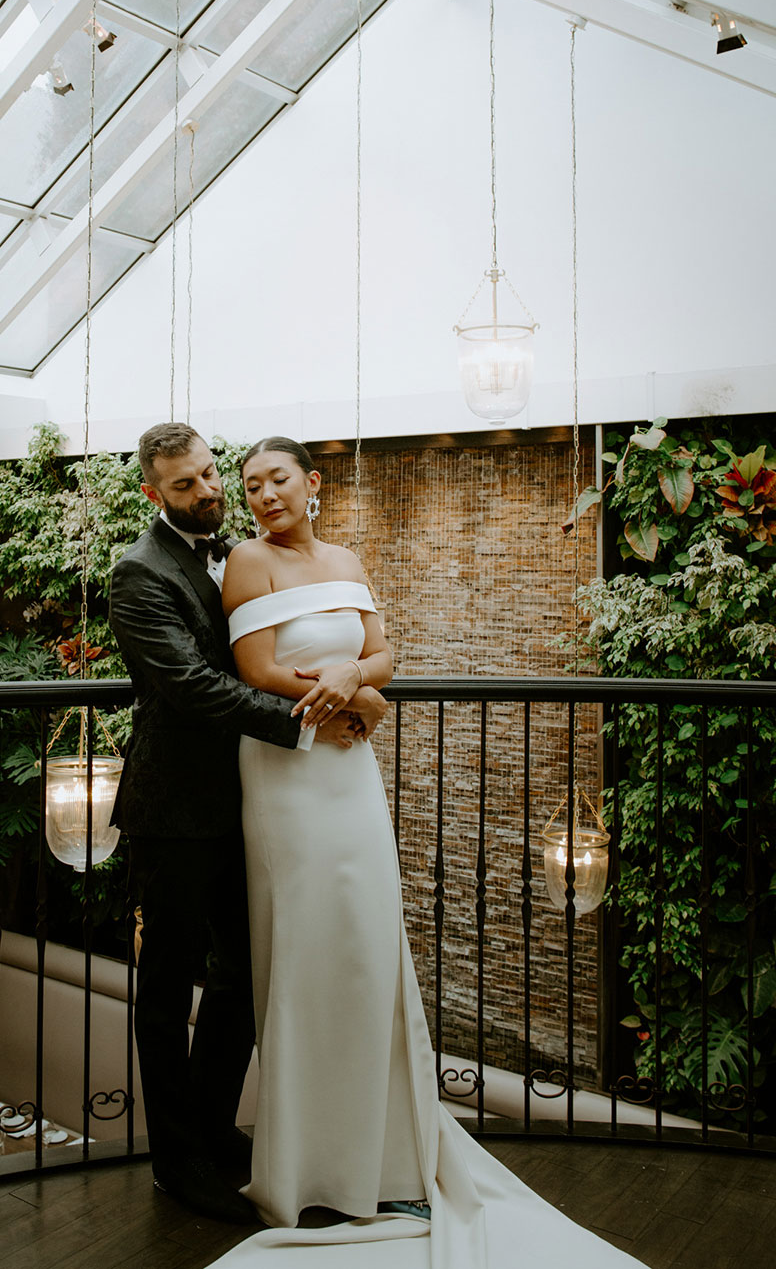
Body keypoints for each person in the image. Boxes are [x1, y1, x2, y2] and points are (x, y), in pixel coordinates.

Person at [214, 435, 649, 1267]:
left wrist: (362, 687)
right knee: (304, 954)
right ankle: (304, 1169)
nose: (263, 495)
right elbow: (257, 668)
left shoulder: (344, 555)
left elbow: (383, 650)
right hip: (288, 774)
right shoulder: (245, 560)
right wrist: (344, 693)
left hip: (349, 774)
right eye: (251, 484)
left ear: (313, 483)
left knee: (369, 950)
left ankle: (389, 1160)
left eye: (277, 480)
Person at [109, 423, 389, 1227]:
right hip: (173, 811)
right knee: (166, 991)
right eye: (186, 486)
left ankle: (211, 1129)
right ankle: (175, 1165)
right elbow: (195, 687)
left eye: (207, 476)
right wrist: (314, 720)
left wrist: (352, 688)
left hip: (244, 802)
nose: (208, 493)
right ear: (152, 494)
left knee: (240, 977)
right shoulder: (138, 573)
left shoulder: (236, 551)